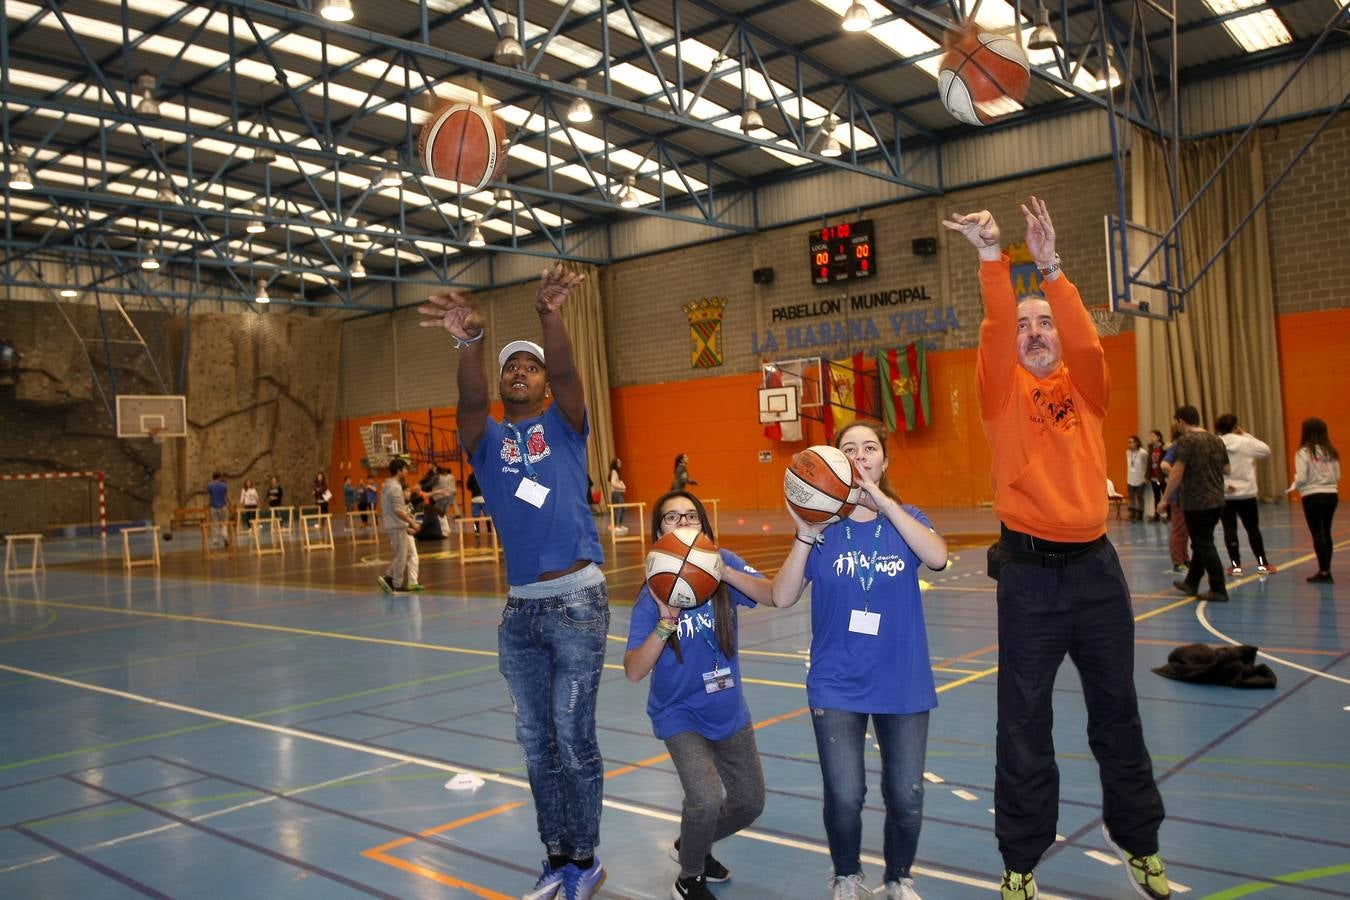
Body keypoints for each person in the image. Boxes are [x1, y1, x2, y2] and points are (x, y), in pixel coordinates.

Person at [944, 197, 1170, 900]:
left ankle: (1139, 843)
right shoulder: (999, 395)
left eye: (1045, 322)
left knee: (1117, 715)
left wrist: (1051, 271)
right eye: (1026, 324)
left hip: (1097, 575)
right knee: (1024, 724)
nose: (1036, 331)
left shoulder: (1088, 390)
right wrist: (992, 259)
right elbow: (989, 330)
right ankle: (1020, 860)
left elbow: (1089, 343)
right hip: (1030, 582)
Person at [420, 264, 608, 900]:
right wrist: (470, 343)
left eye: (528, 366)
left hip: (578, 599)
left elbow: (568, 373)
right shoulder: (487, 439)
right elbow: (469, 403)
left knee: (573, 739)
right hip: (521, 611)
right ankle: (556, 857)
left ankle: (586, 860)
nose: (520, 373)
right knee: (536, 745)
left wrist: (549, 317)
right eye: (510, 368)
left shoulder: (566, 424)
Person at [768, 420, 947, 900]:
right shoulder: (824, 531)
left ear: (883, 462)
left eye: (870, 448)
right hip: (836, 683)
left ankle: (898, 879)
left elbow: (937, 557)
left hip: (903, 682)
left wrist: (884, 503)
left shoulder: (907, 518)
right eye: (850, 449)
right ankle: (847, 875)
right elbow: (782, 597)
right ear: (838, 462)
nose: (861, 455)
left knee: (907, 796)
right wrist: (805, 534)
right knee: (846, 796)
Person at [624, 491, 772, 900]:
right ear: (659, 533)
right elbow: (634, 670)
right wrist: (665, 623)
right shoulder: (651, 593)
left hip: (728, 710)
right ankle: (690, 875)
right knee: (705, 799)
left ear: (705, 526)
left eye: (692, 516)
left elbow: (774, 594)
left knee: (749, 803)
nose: (684, 523)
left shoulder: (725, 567)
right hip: (679, 713)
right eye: (672, 517)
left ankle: (693, 843)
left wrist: (724, 572)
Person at [1160, 406, 1230, 603]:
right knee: (1201, 542)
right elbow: (1227, 469)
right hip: (1217, 500)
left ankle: (1218, 587)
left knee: (1204, 544)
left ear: (1181, 421)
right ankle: (1191, 582)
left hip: (1196, 501)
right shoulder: (1216, 440)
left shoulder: (1186, 441)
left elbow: (1177, 472)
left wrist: (1165, 499)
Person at [1214, 414, 1274, 575]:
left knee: (1229, 530)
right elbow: (1265, 450)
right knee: (1253, 529)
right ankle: (1263, 565)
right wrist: (1245, 434)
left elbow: (1211, 468)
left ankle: (1235, 566)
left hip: (1226, 494)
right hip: (1247, 494)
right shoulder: (1246, 442)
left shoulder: (1215, 443)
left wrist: (1225, 486)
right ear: (1236, 427)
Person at [1288, 417, 1340, 583]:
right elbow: (1338, 476)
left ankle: (1324, 572)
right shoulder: (1331, 452)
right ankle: (1326, 570)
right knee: (1326, 532)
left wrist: (1294, 484)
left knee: (1317, 533)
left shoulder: (1303, 452)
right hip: (1331, 494)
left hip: (1312, 496)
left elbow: (1302, 477)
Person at [377, 458, 422, 593]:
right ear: (399, 471)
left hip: (394, 525)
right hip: (396, 527)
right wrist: (412, 522)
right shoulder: (396, 487)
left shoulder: (386, 485)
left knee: (405, 554)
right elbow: (397, 510)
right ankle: (395, 583)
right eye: (404, 469)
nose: (407, 471)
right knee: (402, 555)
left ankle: (389, 577)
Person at [1161, 429, 1191, 572]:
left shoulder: (1188, 445)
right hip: (1177, 495)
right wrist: (1177, 474)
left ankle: (1185, 558)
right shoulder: (1178, 445)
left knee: (1185, 531)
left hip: (1188, 495)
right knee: (1179, 530)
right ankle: (1178, 562)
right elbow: (1164, 465)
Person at [1126, 436, 1148, 522]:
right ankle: (1133, 515)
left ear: (1137, 443)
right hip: (1130, 479)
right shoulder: (1127, 452)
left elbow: (1147, 466)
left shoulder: (1143, 453)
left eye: (1131, 442)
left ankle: (1140, 515)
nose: (1129, 444)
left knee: (1140, 497)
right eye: (1128, 442)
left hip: (1141, 479)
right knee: (1131, 498)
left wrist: (1146, 477)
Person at [1146, 430, 1167, 521]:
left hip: (1162, 476)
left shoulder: (1164, 448)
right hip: (1153, 477)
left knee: (1166, 496)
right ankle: (1157, 515)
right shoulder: (1151, 448)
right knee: (1156, 496)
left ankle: (1168, 515)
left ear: (1159, 437)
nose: (1151, 438)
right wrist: (1147, 476)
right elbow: (1149, 463)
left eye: (1153, 436)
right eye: (1150, 436)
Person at [206, 471, 230, 550]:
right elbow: (226, 496)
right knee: (224, 523)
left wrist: (207, 505)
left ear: (213, 477)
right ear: (220, 477)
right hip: (223, 506)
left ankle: (215, 541)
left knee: (215, 524)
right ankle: (225, 538)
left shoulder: (210, 486)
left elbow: (209, 497)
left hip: (214, 507)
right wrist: (230, 503)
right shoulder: (224, 485)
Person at [608, 459, 628, 534]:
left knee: (623, 509)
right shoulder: (614, 472)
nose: (620, 463)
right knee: (619, 509)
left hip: (618, 492)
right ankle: (616, 526)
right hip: (616, 493)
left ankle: (620, 525)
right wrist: (621, 486)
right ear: (615, 463)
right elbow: (613, 483)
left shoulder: (615, 472)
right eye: (619, 462)